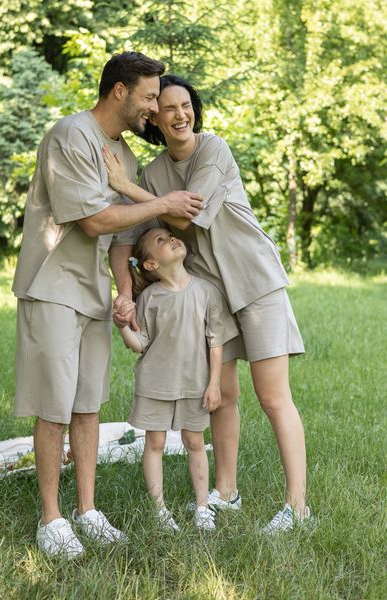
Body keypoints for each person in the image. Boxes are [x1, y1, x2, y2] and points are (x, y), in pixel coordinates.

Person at [12, 56, 205, 558]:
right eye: (148, 97)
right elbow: (95, 222)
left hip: (95, 293)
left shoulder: (125, 156)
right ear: (119, 91)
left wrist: (123, 290)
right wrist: (163, 204)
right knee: (53, 405)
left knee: (88, 404)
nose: (154, 108)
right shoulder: (69, 136)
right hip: (52, 285)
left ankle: (87, 510)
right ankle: (51, 519)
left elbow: (122, 238)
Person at [103, 74, 311, 533]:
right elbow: (128, 236)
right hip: (211, 293)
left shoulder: (212, 149)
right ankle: (225, 492)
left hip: (254, 283)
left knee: (274, 397)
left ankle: (297, 507)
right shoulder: (155, 172)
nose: (180, 114)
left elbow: (185, 213)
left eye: (186, 105)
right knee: (223, 397)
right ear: (154, 118)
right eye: (168, 108)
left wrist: (130, 187)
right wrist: (125, 289)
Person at [116, 227, 238, 531]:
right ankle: (160, 510)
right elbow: (141, 343)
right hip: (155, 383)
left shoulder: (206, 291)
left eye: (170, 236)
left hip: (194, 384)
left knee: (195, 441)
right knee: (154, 442)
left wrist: (213, 384)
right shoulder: (150, 298)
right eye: (160, 240)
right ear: (151, 265)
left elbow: (216, 341)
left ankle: (202, 506)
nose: (171, 239)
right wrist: (121, 326)